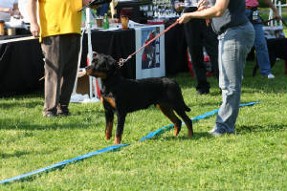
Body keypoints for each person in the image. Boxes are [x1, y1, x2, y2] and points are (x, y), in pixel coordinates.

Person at [177, 0, 255, 135]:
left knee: (230, 85)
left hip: (235, 33)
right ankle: (224, 125)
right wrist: (206, 9)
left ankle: (224, 127)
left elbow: (219, 10)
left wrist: (191, 15)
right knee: (227, 83)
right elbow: (219, 8)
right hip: (228, 33)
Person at [27, 0, 91, 117]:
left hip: (74, 28)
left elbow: (84, 2)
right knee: (54, 72)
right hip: (53, 29)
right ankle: (49, 109)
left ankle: (63, 106)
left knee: (70, 72)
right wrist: (33, 22)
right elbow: (31, 1)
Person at [173, 0, 219, 95]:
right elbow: (175, 3)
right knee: (194, 53)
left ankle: (223, 84)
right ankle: (202, 86)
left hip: (207, 12)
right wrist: (176, 5)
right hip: (189, 15)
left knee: (214, 52)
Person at [245, 0, 281, 79]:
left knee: (261, 43)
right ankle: (237, 73)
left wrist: (275, 11)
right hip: (240, 12)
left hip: (254, 12)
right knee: (239, 46)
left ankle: (266, 72)